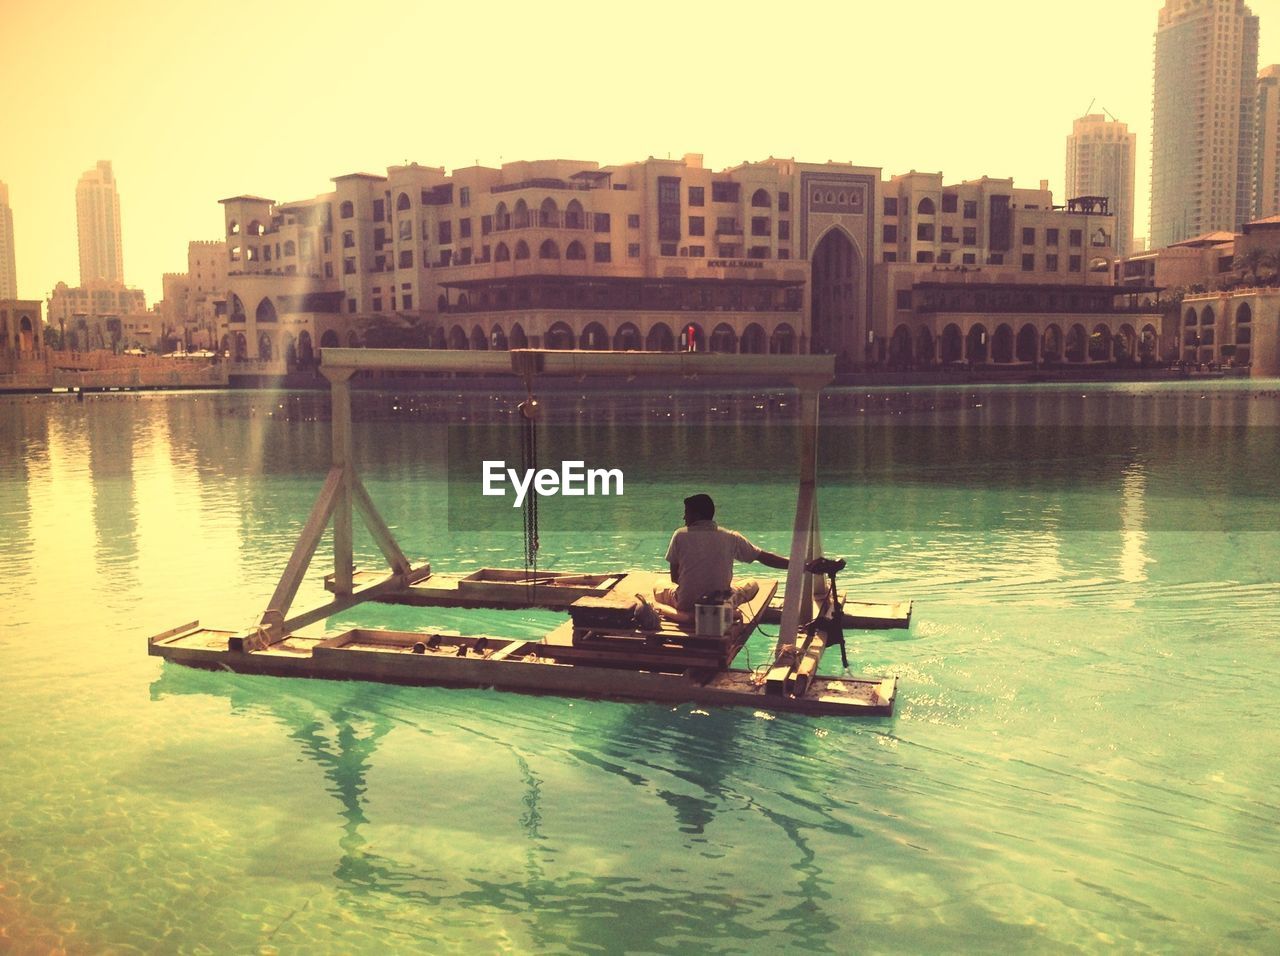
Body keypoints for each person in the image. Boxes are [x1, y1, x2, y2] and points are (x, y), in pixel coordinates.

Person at [649, 493, 789, 624]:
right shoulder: (731, 537)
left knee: (658, 586)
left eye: (686, 513)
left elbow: (674, 578)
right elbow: (764, 557)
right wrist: (799, 565)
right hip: (720, 603)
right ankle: (728, 607)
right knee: (752, 584)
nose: (684, 518)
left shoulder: (679, 535)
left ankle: (689, 614)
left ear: (696, 515)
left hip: (685, 603)